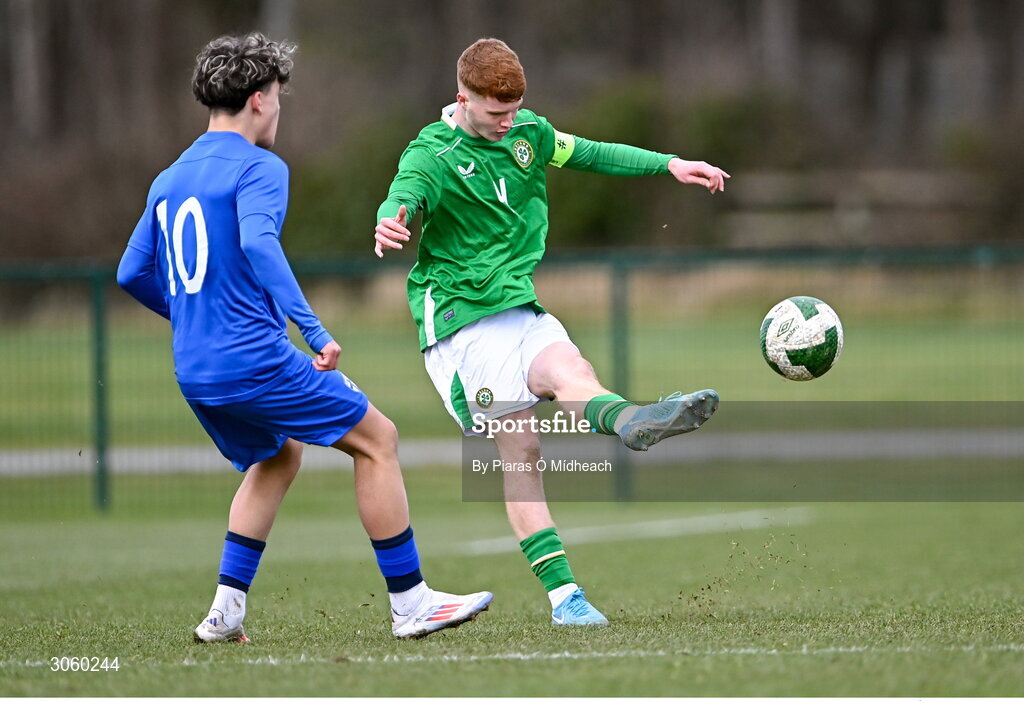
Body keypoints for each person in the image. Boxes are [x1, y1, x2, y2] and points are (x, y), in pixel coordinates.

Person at [117, 32, 491, 643]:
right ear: (261, 99)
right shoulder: (260, 166)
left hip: (194, 366)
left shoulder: (169, 177)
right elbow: (259, 243)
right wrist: (313, 331)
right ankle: (412, 603)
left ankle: (225, 612)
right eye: (279, 98)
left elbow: (130, 272)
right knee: (379, 440)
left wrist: (193, 320)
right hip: (252, 358)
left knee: (277, 454)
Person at [373, 38, 728, 627]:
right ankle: (564, 594)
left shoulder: (528, 134)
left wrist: (670, 164)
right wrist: (394, 220)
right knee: (522, 453)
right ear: (462, 98)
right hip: (461, 322)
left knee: (573, 373)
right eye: (495, 112)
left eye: (514, 110)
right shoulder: (431, 154)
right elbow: (403, 195)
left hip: (520, 306)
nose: (508, 121)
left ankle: (631, 422)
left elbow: (591, 152)